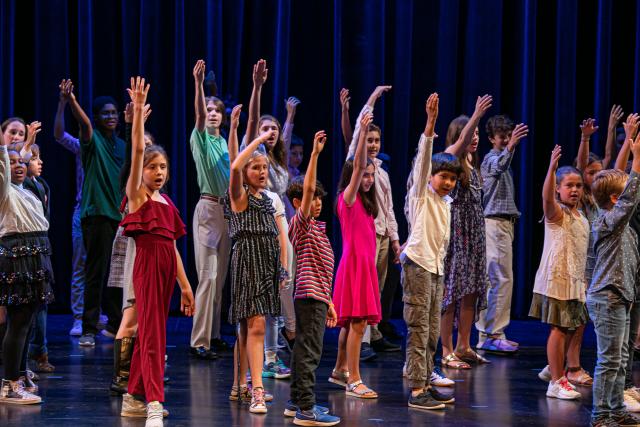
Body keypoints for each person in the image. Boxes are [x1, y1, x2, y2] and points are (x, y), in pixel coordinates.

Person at [117, 77, 194, 427]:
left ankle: (133, 397)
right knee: (150, 335)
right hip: (146, 269)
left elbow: (173, 246)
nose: (158, 172)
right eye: (152, 167)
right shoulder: (138, 196)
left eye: (162, 167)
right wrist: (138, 124)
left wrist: (185, 284)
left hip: (166, 271)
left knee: (155, 330)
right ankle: (152, 400)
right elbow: (135, 152)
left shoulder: (167, 203)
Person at [402, 93, 460, 410]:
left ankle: (425, 380)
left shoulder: (446, 204)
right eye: (444, 177)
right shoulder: (421, 195)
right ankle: (416, 390)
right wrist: (431, 124)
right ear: (431, 178)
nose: (448, 182)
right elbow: (423, 161)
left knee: (433, 332)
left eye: (453, 178)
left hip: (435, 269)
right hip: (418, 266)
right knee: (419, 328)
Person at [225, 123, 286, 414]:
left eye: (264, 168)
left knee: (250, 328)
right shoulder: (240, 196)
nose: (262, 173)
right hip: (247, 261)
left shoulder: (266, 200)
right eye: (256, 168)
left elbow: (277, 236)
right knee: (255, 325)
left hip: (266, 264)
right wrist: (259, 139)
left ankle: (241, 385)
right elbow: (235, 166)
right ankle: (258, 390)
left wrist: (282, 270)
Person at [284, 131, 340, 426]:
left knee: (304, 349)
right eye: (311, 197)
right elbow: (305, 191)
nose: (316, 202)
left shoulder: (318, 228)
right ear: (298, 202)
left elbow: (321, 271)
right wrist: (316, 155)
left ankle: (296, 401)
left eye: (319, 197)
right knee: (309, 351)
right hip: (308, 296)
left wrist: (329, 301)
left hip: (316, 296)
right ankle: (306, 408)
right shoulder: (301, 224)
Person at [244, 59, 295, 378]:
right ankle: (257, 358)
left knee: (278, 296)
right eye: (265, 129)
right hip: (256, 235)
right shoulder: (254, 163)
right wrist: (258, 88)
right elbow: (251, 124)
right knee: (259, 305)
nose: (270, 133)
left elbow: (285, 137)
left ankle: (272, 357)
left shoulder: (279, 164)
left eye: (273, 129)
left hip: (279, 233)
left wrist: (288, 120)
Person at [65, 79, 126, 346]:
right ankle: (89, 328)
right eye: (105, 113)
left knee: (117, 273)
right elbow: (85, 125)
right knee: (95, 272)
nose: (110, 117)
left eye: (114, 113)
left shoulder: (122, 145)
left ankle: (114, 324)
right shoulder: (92, 141)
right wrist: (71, 101)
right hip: (96, 214)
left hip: (118, 216)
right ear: (98, 117)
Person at [440, 95, 499, 368]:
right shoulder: (450, 162)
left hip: (475, 235)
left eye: (477, 133)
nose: (474, 137)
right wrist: (475, 114)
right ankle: (446, 350)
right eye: (470, 133)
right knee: (452, 291)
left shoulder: (475, 167)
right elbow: (458, 147)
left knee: (472, 290)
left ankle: (464, 345)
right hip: (456, 235)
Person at [587, 127, 640, 427]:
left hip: (621, 297)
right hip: (607, 297)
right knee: (608, 360)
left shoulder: (626, 229)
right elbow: (630, 199)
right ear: (616, 199)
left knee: (621, 358)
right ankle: (600, 414)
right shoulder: (606, 222)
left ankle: (616, 407)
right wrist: (636, 161)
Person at [344, 85, 401, 357]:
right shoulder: (356, 167)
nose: (373, 145)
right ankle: (362, 341)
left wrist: (395, 240)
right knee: (365, 290)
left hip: (380, 236)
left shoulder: (382, 172)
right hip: (362, 237)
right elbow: (357, 131)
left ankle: (374, 333)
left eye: (377, 141)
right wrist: (373, 97)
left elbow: (389, 209)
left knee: (377, 290)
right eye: (369, 141)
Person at [529, 146, 588, 400]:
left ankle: (553, 367)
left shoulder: (582, 216)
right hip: (557, 280)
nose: (574, 190)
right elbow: (545, 200)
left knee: (574, 326)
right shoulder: (558, 214)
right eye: (569, 185)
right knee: (559, 329)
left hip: (575, 282)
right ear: (558, 188)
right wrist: (552, 169)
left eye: (579, 186)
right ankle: (556, 381)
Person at [329, 111, 381, 399]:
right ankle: (355, 380)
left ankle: (340, 370)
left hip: (364, 267)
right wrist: (361, 135)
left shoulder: (366, 203)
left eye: (372, 175)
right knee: (358, 324)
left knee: (351, 323)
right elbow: (359, 162)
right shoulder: (346, 200)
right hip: (354, 267)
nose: (368, 179)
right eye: (364, 175)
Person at [0, 130, 52, 405]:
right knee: (18, 322)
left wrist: (28, 146)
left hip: (34, 254)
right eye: (13, 162)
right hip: (17, 254)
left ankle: (18, 374)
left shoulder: (26, 189)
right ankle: (9, 385)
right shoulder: (4, 189)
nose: (19, 165)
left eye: (22, 161)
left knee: (27, 321)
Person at [189, 60, 232, 360]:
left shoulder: (227, 145)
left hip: (227, 213)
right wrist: (198, 84)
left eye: (217, 110)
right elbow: (199, 115)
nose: (212, 113)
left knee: (220, 279)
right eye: (209, 110)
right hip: (207, 209)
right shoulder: (200, 139)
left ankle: (214, 334)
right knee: (207, 276)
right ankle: (199, 340)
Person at [475, 114, 529, 352]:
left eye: (508, 136)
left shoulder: (502, 157)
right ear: (491, 139)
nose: (507, 140)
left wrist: (510, 148)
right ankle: (491, 334)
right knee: (498, 278)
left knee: (499, 279)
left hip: (504, 224)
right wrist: (511, 146)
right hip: (494, 223)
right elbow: (499, 165)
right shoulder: (490, 159)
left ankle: (492, 332)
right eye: (502, 138)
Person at [53, 79, 87, 337]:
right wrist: (64, 103)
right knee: (79, 265)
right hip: (82, 211)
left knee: (108, 266)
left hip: (110, 212)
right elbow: (58, 135)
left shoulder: (115, 149)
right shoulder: (82, 146)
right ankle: (78, 316)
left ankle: (99, 314)